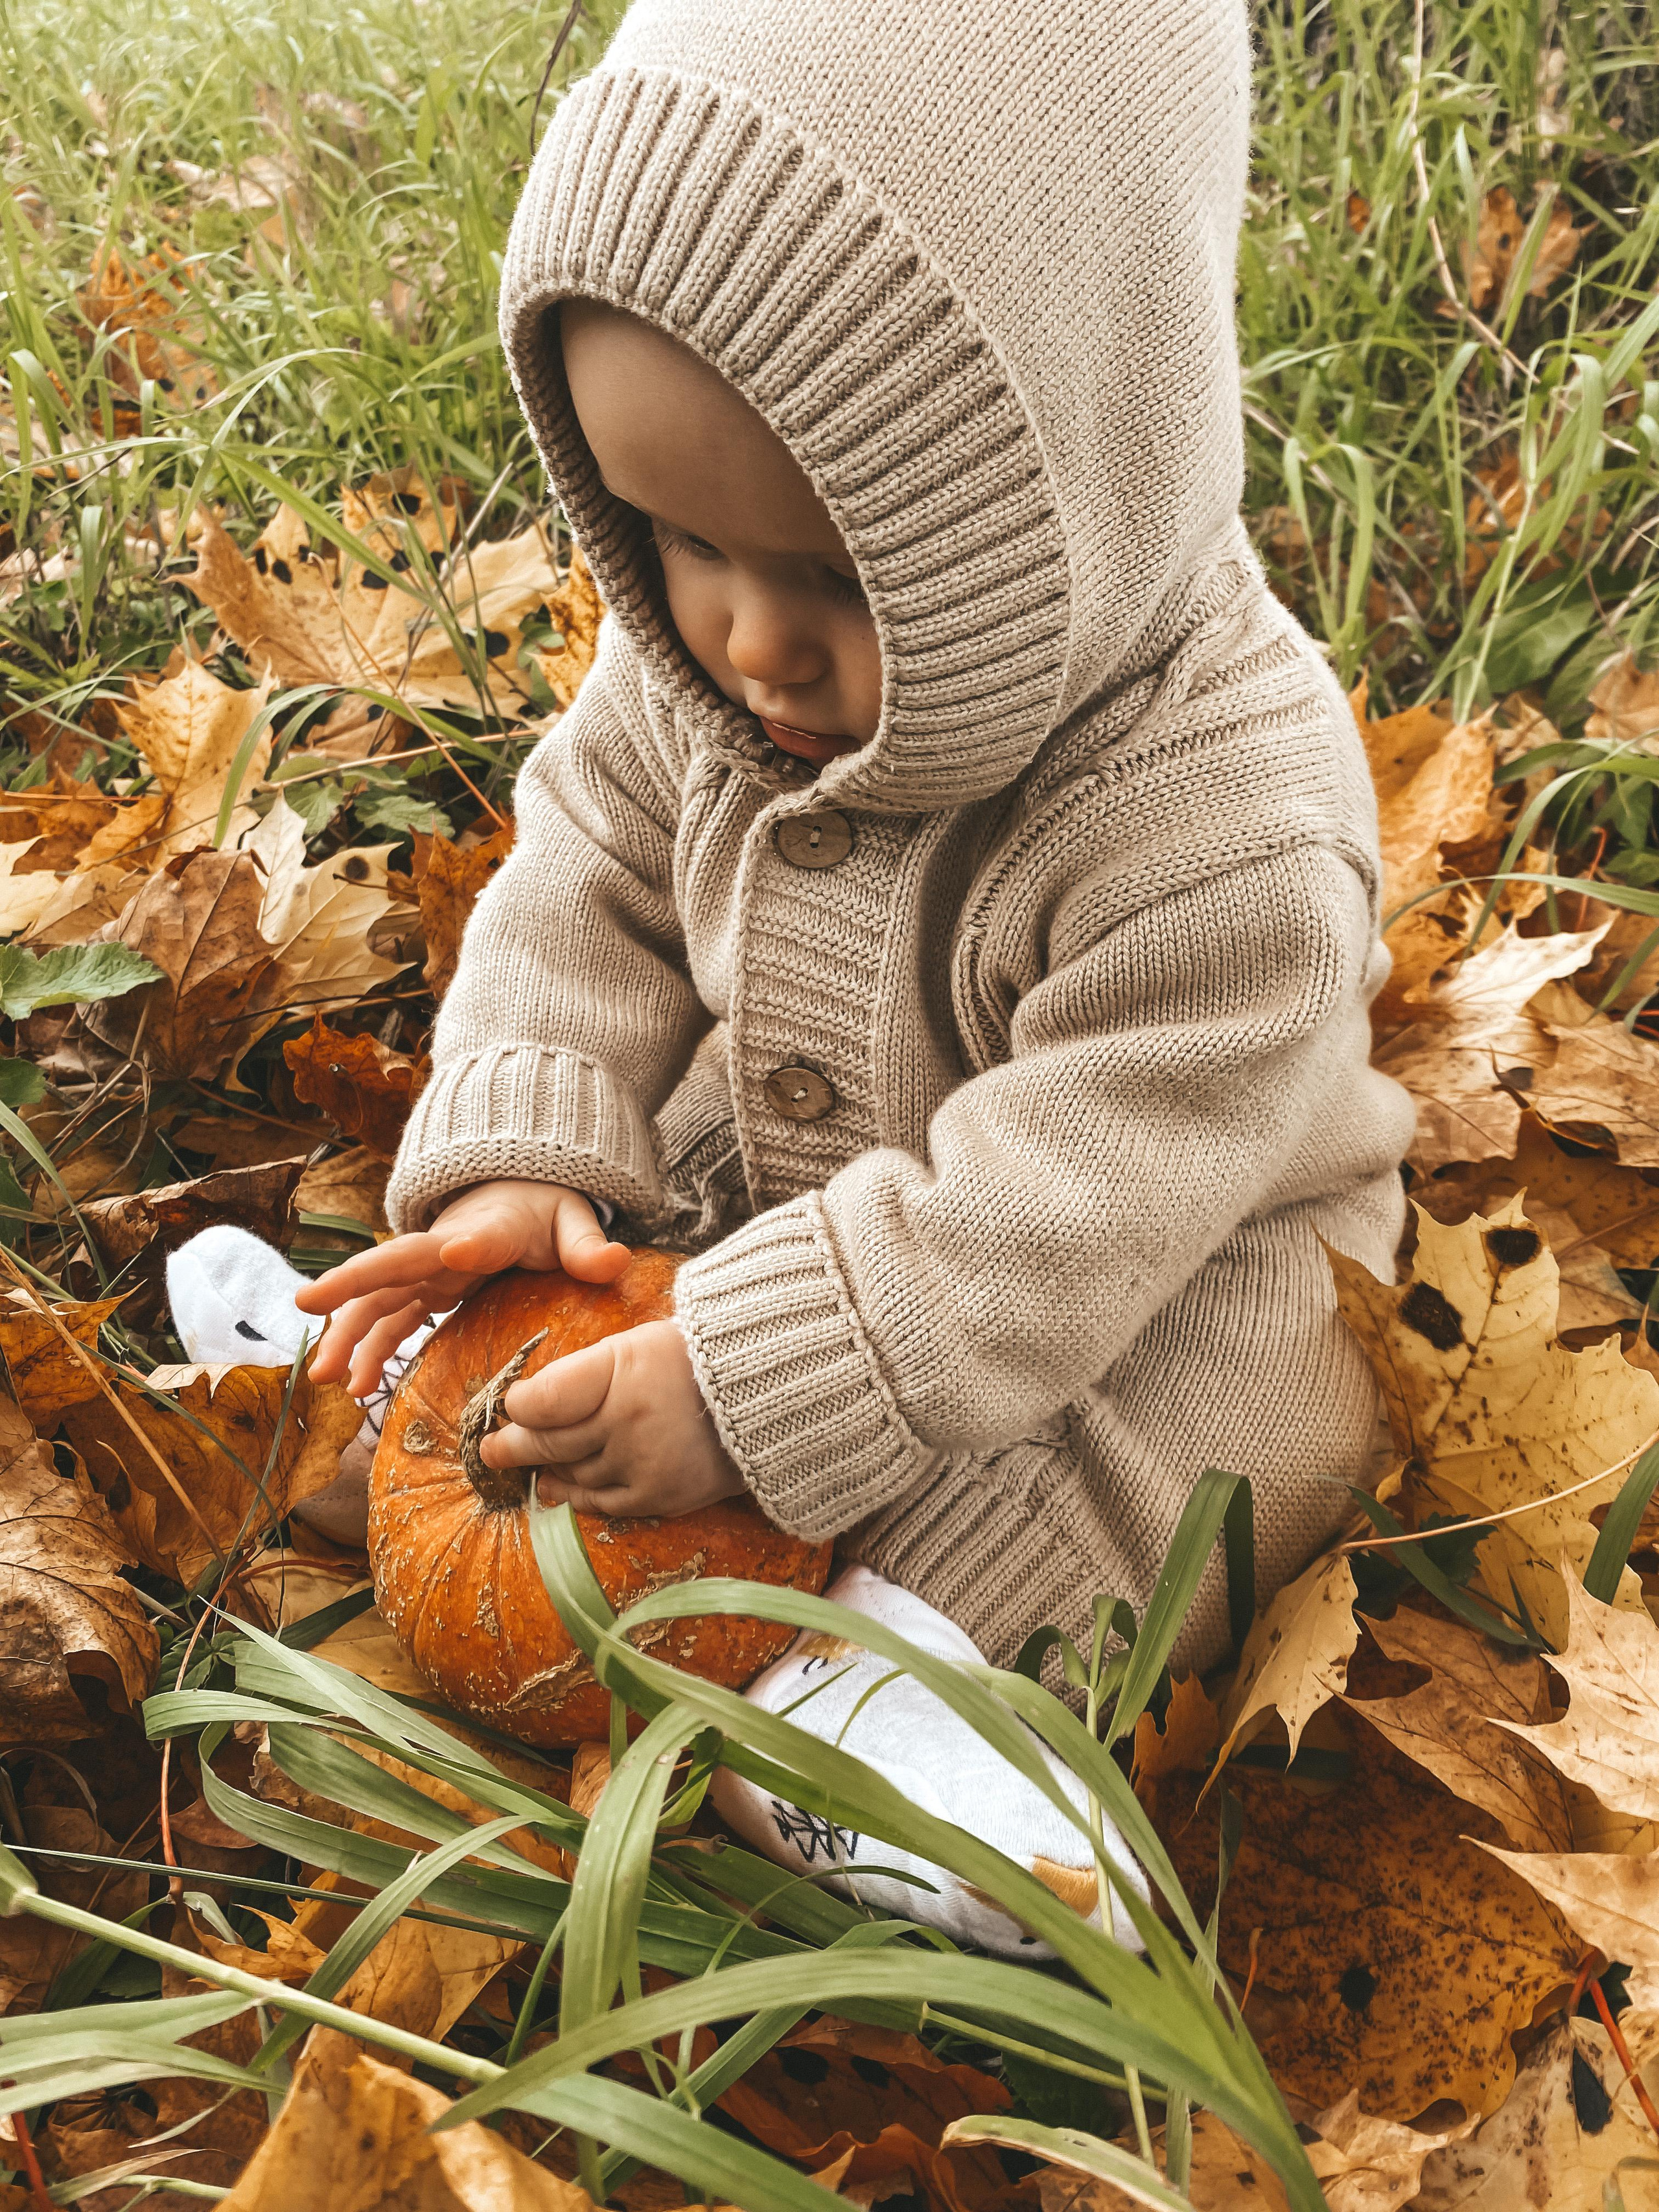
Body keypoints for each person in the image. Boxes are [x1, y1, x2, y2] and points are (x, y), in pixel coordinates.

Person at [170, 0, 1413, 1951]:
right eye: (672, 538)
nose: (743, 635)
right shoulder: (713, 657)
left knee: (1228, 1421)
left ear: (1080, 472)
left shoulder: (1225, 820)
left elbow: (1076, 1192)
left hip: (1142, 1256)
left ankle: (888, 1682)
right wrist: (537, 1154)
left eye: (837, 578)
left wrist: (758, 1389)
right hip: (793, 1157)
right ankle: (429, 1414)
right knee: (624, 1211)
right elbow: (589, 874)